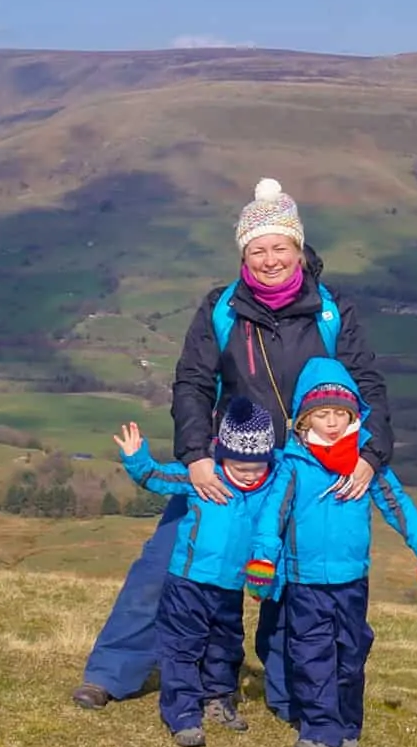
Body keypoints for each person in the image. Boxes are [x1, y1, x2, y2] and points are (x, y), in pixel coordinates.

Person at [73, 179, 394, 711]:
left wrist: (369, 454)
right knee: (168, 565)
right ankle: (111, 673)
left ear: (299, 250)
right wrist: (196, 457)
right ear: (244, 254)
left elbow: (369, 387)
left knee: (298, 589)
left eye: (279, 247)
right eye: (257, 249)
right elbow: (193, 384)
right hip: (227, 464)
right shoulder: (221, 309)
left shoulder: (334, 313)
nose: (270, 259)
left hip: (307, 471)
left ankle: (299, 698)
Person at [251, 356, 417, 747]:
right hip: (305, 582)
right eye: (323, 414)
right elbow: (272, 517)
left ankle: (348, 724)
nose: (333, 422)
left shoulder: (365, 467)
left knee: (351, 653)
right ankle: (319, 730)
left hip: (352, 580)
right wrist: (263, 561)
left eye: (341, 413)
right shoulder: (294, 468)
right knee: (312, 653)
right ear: (304, 420)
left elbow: (397, 505)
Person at [112, 398, 279, 747]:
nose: (249, 474)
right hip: (187, 583)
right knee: (181, 648)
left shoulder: (271, 487)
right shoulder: (203, 477)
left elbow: (272, 526)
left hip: (230, 589)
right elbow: (157, 478)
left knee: (226, 645)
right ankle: (183, 714)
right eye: (241, 466)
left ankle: (219, 700)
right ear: (223, 455)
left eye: (257, 467)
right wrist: (135, 457)